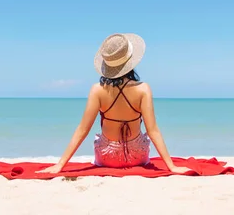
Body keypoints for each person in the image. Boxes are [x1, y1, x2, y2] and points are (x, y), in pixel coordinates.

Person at [37, 33, 191, 174]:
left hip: (107, 158)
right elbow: (153, 130)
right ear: (130, 60)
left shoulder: (97, 90)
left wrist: (60, 165)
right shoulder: (143, 89)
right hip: (137, 156)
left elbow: (83, 130)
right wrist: (172, 166)